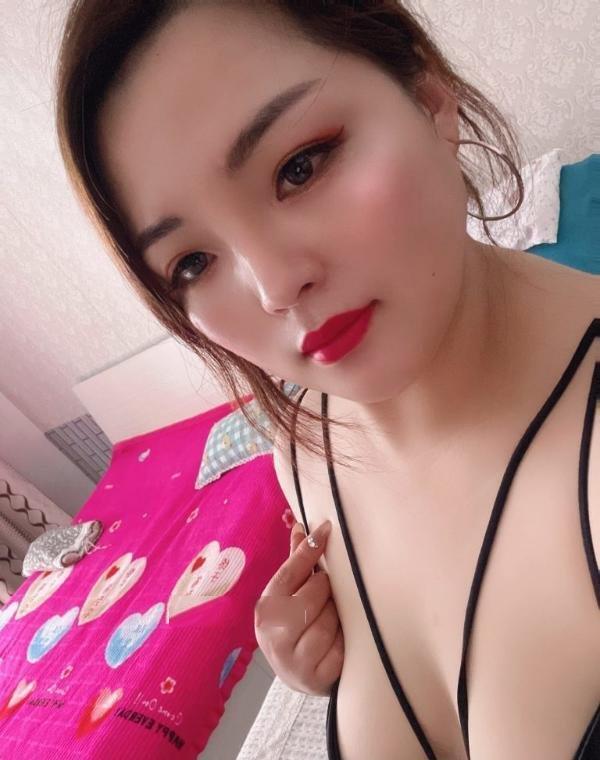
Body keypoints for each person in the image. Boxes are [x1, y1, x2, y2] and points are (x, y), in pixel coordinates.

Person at [55, 2, 599, 758]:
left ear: (429, 98)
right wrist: (314, 663)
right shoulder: (302, 451)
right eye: (193, 263)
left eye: (299, 167)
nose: (275, 287)